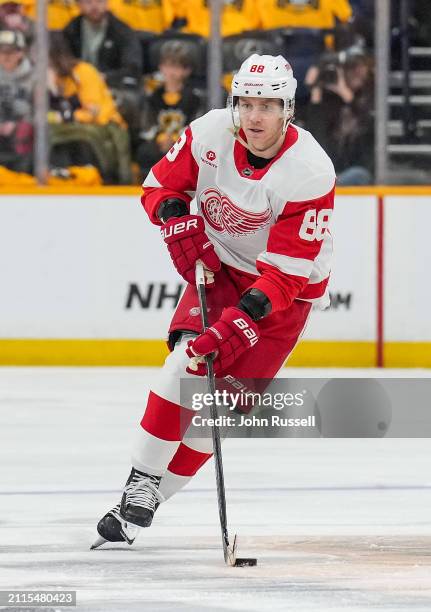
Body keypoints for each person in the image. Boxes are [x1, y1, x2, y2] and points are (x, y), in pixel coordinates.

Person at [93, 53, 335, 547]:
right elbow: (158, 186)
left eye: (267, 104)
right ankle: (140, 481)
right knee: (188, 363)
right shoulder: (208, 133)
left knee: (217, 414)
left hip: (282, 294)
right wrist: (175, 217)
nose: (254, 116)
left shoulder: (310, 171)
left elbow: (285, 278)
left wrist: (242, 322)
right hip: (220, 263)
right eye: (245, 102)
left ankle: (147, 501)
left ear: (288, 109)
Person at [305, 46, 373, 185]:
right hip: (325, 172)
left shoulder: (369, 95)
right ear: (342, 71)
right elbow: (314, 137)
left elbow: (368, 123)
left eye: (360, 67)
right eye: (352, 67)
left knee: (360, 174)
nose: (357, 72)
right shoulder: (329, 100)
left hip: (353, 169)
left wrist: (346, 94)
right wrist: (315, 92)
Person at [135, 39, 202, 178]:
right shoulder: (153, 97)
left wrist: (174, 139)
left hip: (183, 145)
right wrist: (161, 138)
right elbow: (147, 126)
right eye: (168, 66)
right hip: (157, 144)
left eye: (177, 67)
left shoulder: (194, 98)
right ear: (161, 67)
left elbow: (196, 126)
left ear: (186, 71)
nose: (171, 72)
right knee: (144, 151)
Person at [0, 29, 34, 173]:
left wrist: (17, 124)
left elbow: (42, 110)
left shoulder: (35, 77)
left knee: (27, 130)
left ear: (21, 53)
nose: (6, 56)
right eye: (2, 51)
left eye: (11, 51)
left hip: (23, 130)